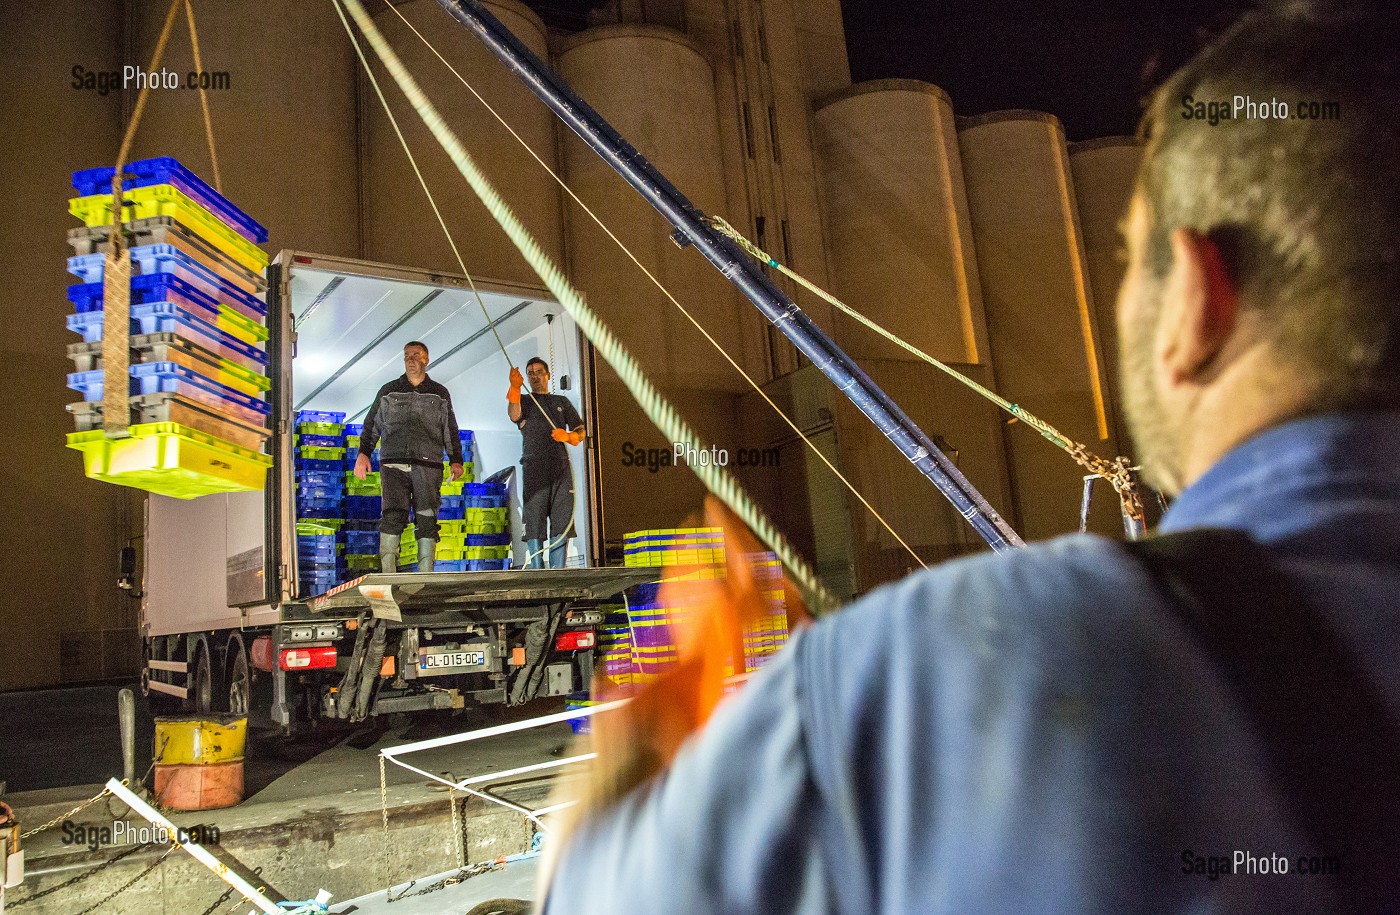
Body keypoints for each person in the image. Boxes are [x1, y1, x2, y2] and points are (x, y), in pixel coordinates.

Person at [540, 3, 1400, 912]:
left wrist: (654, 706)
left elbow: (593, 895)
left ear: (1194, 300)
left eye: (1125, 256)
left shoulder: (948, 681)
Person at [355, 341, 465, 573]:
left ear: (426, 360)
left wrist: (456, 459)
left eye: (416, 355)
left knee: (427, 516)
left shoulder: (439, 393)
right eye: (406, 355)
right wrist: (363, 453)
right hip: (393, 463)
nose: (411, 359)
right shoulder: (389, 390)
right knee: (393, 514)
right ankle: (388, 572)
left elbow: (450, 428)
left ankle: (425, 572)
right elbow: (372, 424)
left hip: (429, 465)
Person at [508, 357, 585, 568]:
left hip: (560, 467)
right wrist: (514, 387)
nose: (535, 376)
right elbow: (514, 415)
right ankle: (536, 569)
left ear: (548, 375)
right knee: (534, 518)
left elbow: (581, 432)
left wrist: (567, 436)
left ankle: (558, 570)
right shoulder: (524, 400)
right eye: (530, 373)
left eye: (539, 372)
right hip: (534, 466)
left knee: (562, 518)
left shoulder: (561, 402)